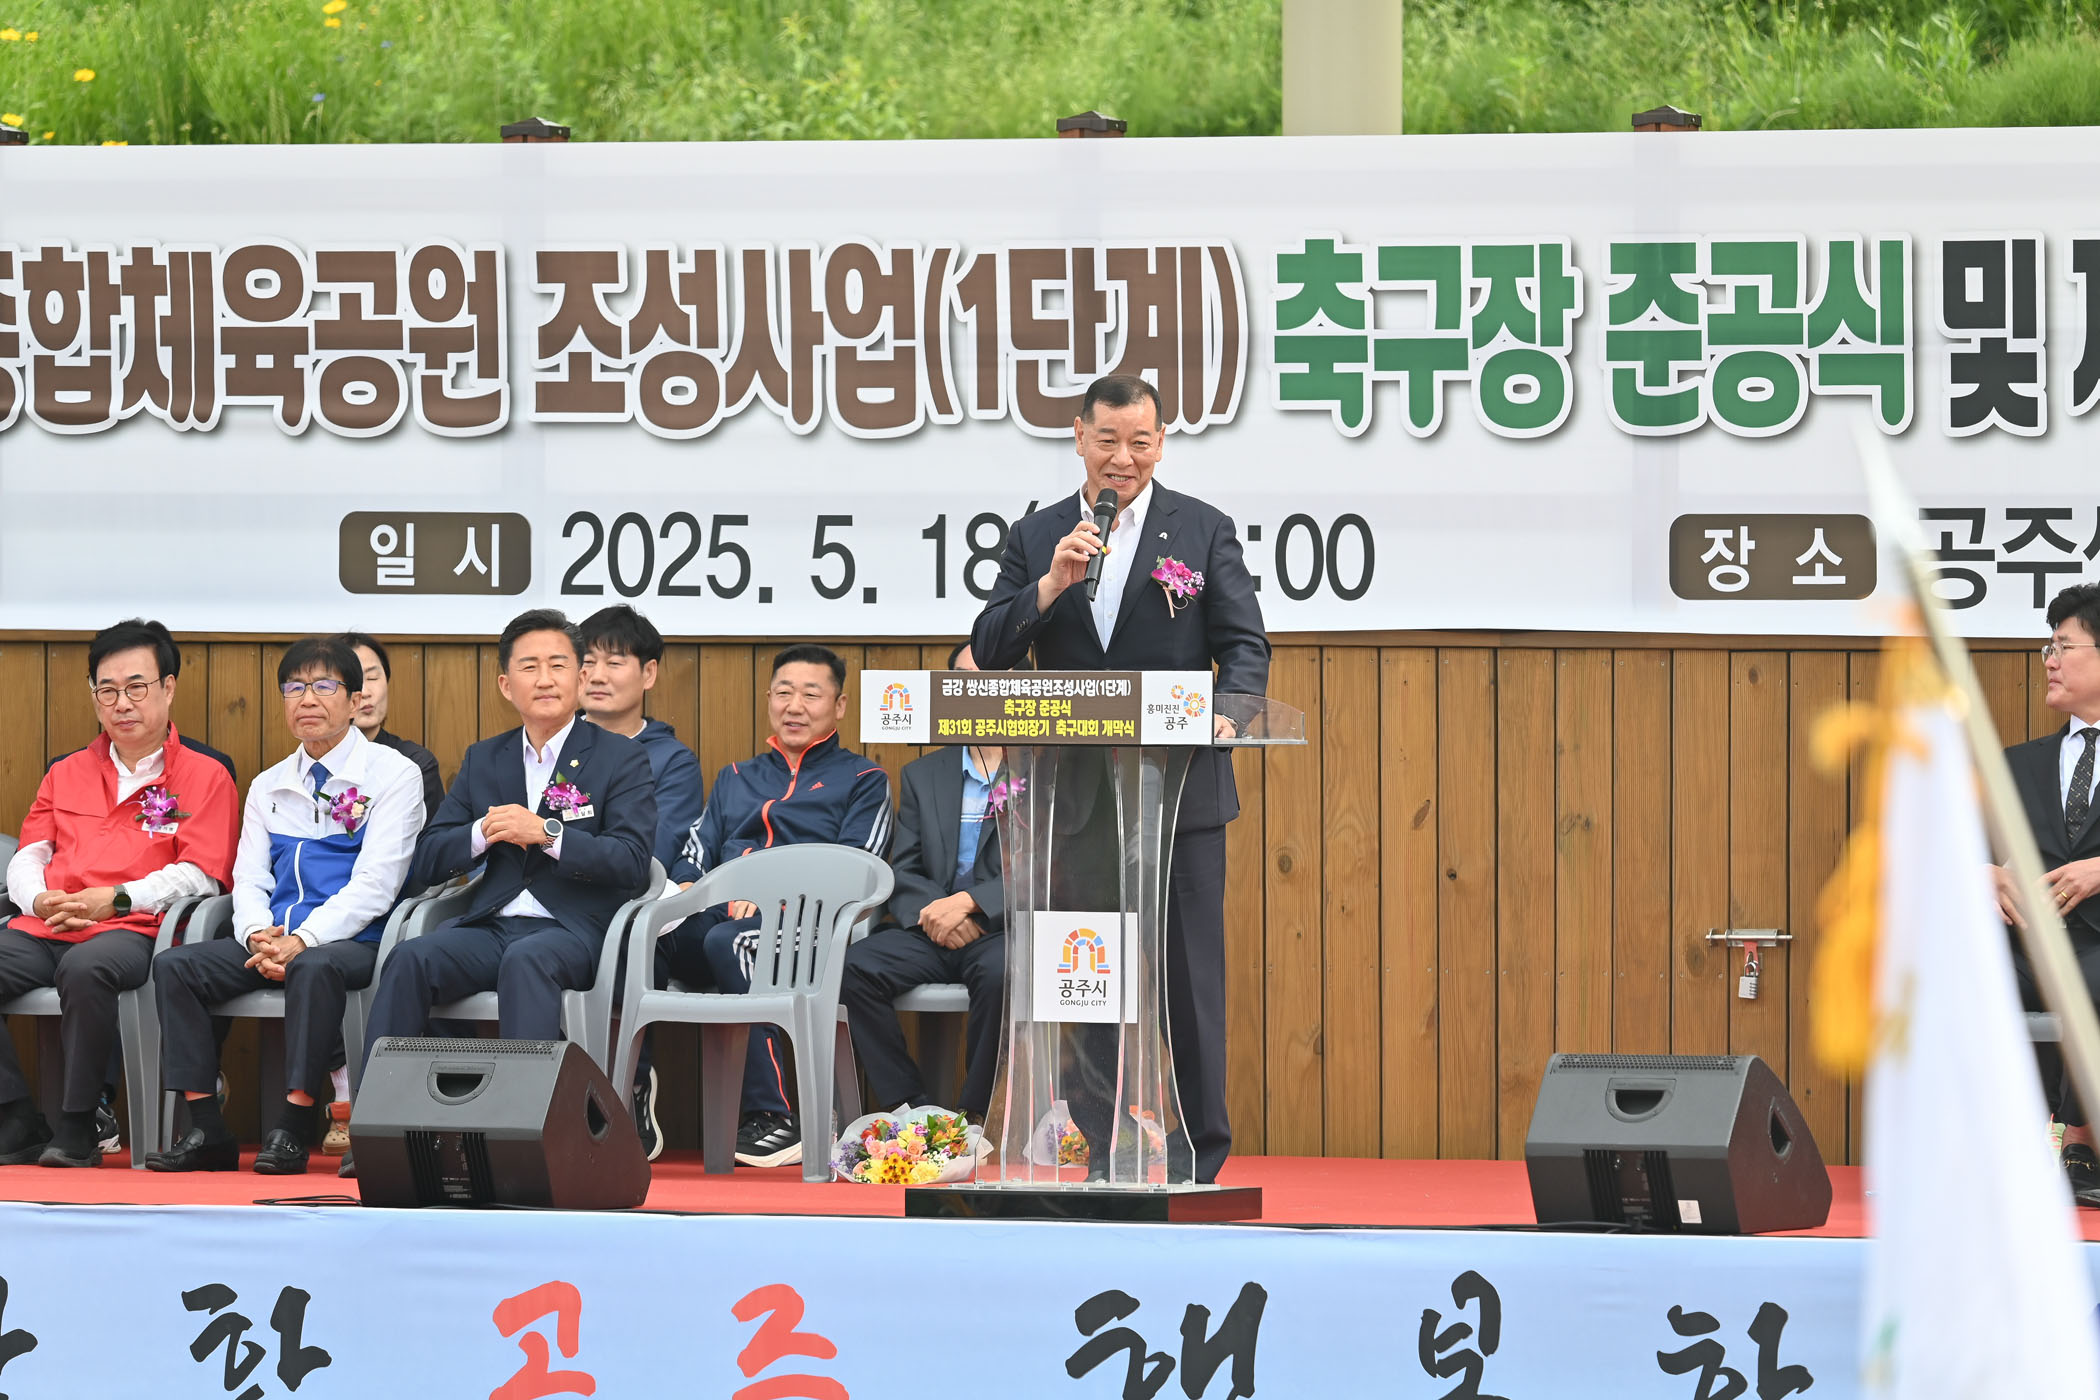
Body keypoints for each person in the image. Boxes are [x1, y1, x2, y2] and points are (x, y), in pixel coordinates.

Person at [970, 372, 1269, 1184]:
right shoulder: (1037, 536)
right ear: (1079, 438)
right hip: (1075, 803)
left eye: (1140, 442)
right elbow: (990, 646)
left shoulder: (1201, 530)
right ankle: (1102, 1152)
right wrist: (1049, 587)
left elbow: (1244, 647)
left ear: (1161, 444)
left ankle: (1201, 1159)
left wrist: (1228, 716)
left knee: (1187, 984)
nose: (1123, 458)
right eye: (1108, 440)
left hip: (1179, 797)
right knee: (1089, 979)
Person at [145, 637, 425, 1175]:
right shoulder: (268, 784)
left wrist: (304, 939)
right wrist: (257, 934)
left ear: (354, 699)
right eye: (294, 688)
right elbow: (249, 877)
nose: (307, 699)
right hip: (274, 938)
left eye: (324, 686)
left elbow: (377, 884)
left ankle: (293, 1126)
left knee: (314, 967)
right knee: (175, 967)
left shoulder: (393, 774)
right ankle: (206, 1128)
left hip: (353, 940)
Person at [360, 608, 656, 1081]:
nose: (545, 679)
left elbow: (632, 862)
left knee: (527, 961)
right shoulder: (484, 758)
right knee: (411, 957)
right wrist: (483, 832)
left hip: (574, 930)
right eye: (529, 666)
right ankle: (384, 1111)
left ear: (580, 679)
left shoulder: (621, 757)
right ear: (505, 685)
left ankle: (525, 1119)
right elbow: (430, 857)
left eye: (558, 665)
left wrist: (547, 833)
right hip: (492, 926)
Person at [0, 619, 240, 1167]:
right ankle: (16, 1116)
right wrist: (37, 900)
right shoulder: (66, 772)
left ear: (168, 688)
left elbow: (202, 875)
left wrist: (117, 898)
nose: (121, 703)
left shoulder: (206, 775)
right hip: (48, 923)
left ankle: (80, 1124)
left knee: (87, 969)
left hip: (135, 930)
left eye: (136, 687)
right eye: (107, 690)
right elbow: (30, 853)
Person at [670, 644, 891, 1167]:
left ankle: (773, 1114)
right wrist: (685, 890)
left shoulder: (864, 780)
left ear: (838, 706)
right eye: (784, 693)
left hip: (809, 927)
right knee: (649, 941)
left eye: (811, 694)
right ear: (768, 698)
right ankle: (629, 1103)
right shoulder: (736, 777)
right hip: (725, 917)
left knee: (730, 942)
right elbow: (696, 852)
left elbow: (857, 870)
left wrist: (771, 896)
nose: (794, 706)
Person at [840, 643, 1005, 1118]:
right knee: (852, 967)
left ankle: (976, 1118)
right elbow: (905, 867)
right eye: (966, 679)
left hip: (1001, 928)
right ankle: (910, 1109)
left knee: (1003, 974)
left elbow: (1051, 866)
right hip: (930, 926)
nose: (980, 689)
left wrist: (971, 903)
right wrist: (938, 915)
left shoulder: (1044, 770)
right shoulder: (923, 774)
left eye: (994, 675)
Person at [577, 604, 704, 1160]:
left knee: (630, 938)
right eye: (586, 662)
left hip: (633, 910)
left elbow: (652, 855)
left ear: (648, 673)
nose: (596, 676)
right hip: (553, 907)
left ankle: (627, 1083)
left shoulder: (672, 761)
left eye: (614, 662)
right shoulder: (551, 748)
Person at [1996, 582, 2100, 1207]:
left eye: (2064, 646)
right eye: (2048, 648)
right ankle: (2012, 1142)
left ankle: (2080, 1143)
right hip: (2026, 943)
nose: (2050, 661)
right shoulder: (2016, 763)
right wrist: (1985, 873)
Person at [340, 631, 445, 821]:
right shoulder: (316, 763)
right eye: (352, 681)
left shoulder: (415, 762)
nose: (364, 692)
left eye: (372, 678)